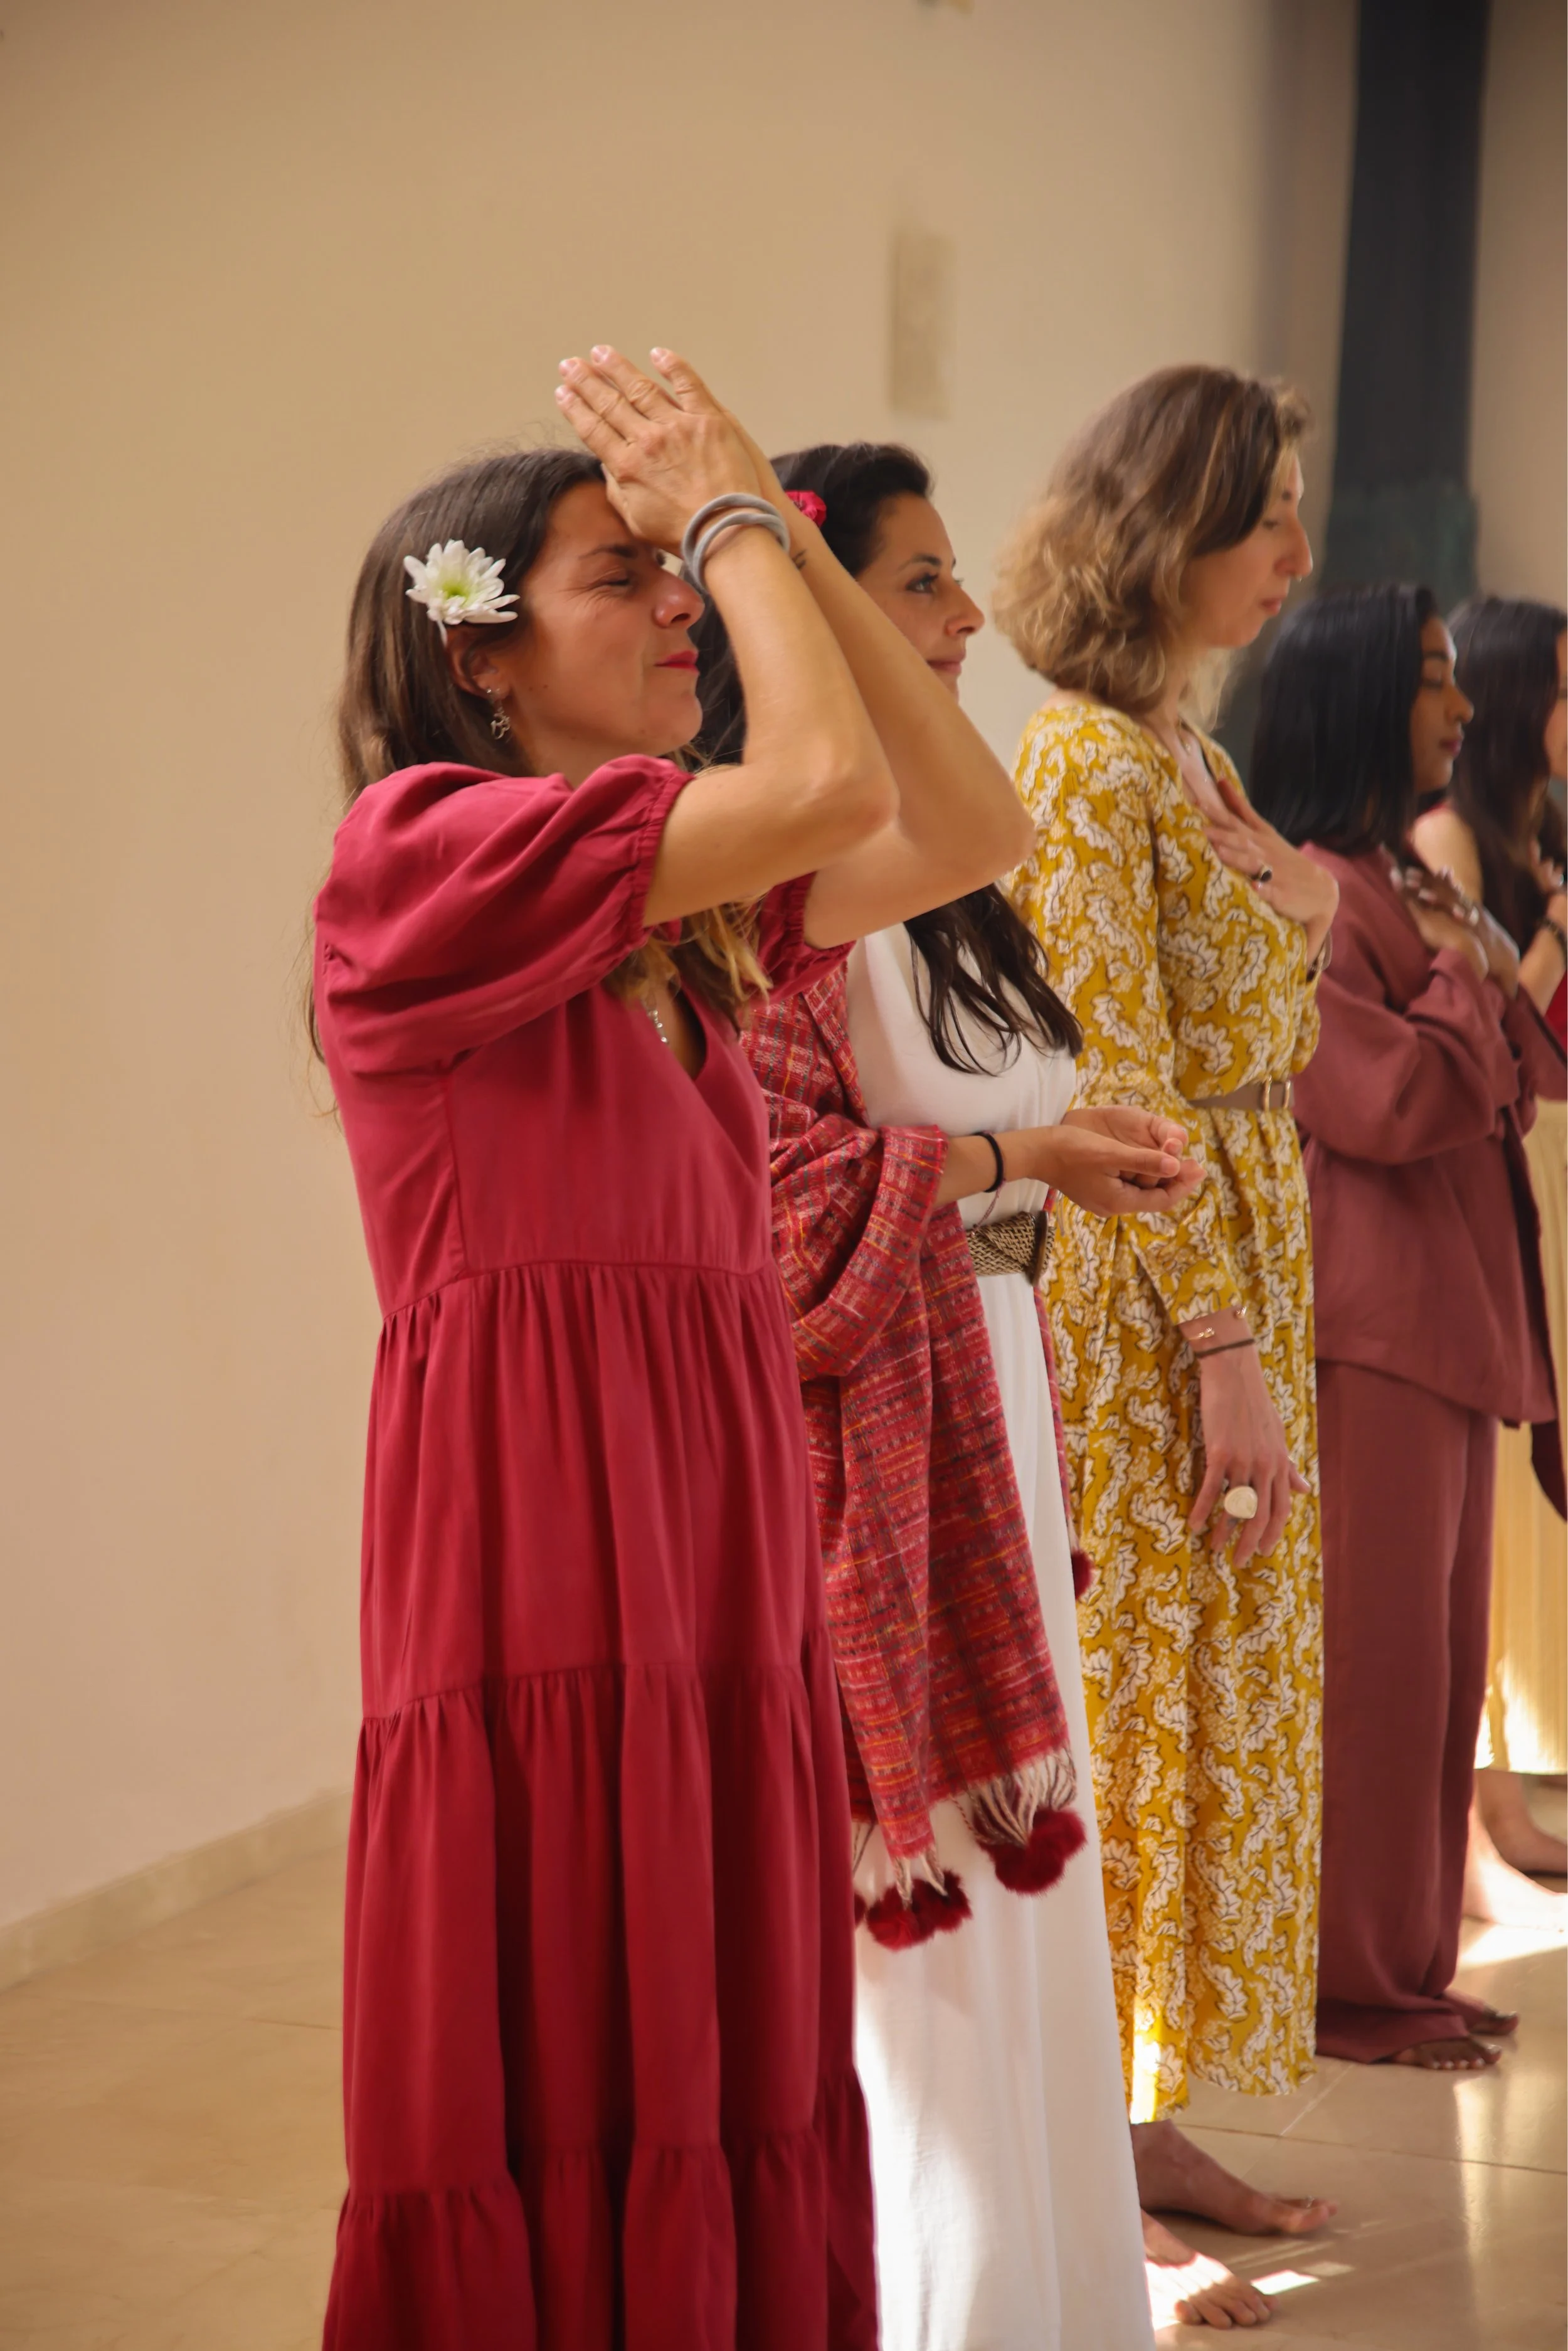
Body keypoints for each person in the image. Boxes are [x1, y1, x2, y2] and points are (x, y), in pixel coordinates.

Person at [310, 346, 1034, 2350]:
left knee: (721, 2044)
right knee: (551, 2043)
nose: (676, 612)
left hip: (712, 1567)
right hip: (537, 1573)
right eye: (609, 577)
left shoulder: (678, 927)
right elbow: (819, 784)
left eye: (669, 575)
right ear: (475, 654)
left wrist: (755, 533)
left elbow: (958, 819)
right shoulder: (419, 861)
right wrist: (732, 515)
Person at [696, 440, 1203, 2347]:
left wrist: (1046, 1157)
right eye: (916, 584)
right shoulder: (764, 871)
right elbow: (788, 1195)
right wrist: (1020, 1169)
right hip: (877, 1425)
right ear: (814, 619)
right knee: (917, 1944)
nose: (968, 616)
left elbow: (948, 1101)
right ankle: (946, 2298)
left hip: (985, 1390)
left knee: (1030, 1904)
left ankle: (1068, 2279)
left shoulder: (941, 870)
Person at [995, 365, 1338, 2321]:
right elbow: (1109, 1073)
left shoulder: (1183, 757)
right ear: (1161, 531)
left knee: (1212, 1710)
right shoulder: (1079, 768)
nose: (1294, 554)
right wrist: (1216, 1341)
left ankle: (1144, 2110)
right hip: (1148, 1310)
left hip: (1237, 1267)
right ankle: (1077, 2153)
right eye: (1260, 516)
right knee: (1128, 1709)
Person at [1250, 585, 1564, 2069]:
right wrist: (1463, 968)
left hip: (1437, 1312)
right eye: (1433, 680)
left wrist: (1468, 978)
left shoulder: (1382, 876)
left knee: (1434, 1667)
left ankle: (1403, 1959)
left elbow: (1509, 1068)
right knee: (1373, 1672)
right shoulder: (1307, 882)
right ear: (1358, 699)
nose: (1458, 708)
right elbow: (1383, 1096)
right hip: (1367, 1314)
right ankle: (1350, 1981)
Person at [1411, 598, 1568, 1918]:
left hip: (1547, 1162)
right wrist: (1559, 921)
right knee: (1496, 1490)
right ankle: (1479, 1804)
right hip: (1511, 1159)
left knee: (1524, 1496)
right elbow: (1481, 1004)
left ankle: (1504, 1785)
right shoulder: (1447, 834)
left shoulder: (1525, 828)